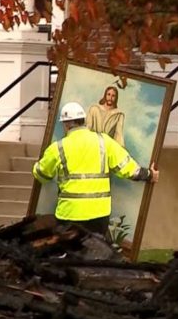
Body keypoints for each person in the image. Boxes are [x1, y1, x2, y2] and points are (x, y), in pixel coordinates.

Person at [32, 101, 159, 238]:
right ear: (84, 121)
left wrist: (36, 165)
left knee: (71, 255)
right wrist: (150, 174)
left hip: (69, 213)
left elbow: (42, 175)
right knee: (97, 253)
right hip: (99, 214)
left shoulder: (58, 147)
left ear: (66, 124)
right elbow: (129, 169)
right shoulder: (104, 141)